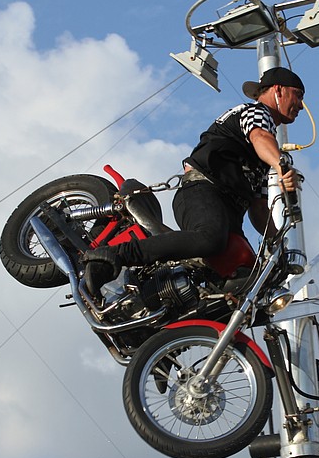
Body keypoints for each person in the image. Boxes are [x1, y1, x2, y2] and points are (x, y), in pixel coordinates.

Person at [81, 66, 306, 292]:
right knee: (209, 239)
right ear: (278, 90)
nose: (301, 105)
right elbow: (260, 136)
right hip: (204, 192)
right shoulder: (257, 113)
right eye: (298, 95)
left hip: (228, 214)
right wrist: (280, 165)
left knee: (242, 273)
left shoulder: (266, 154)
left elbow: (258, 209)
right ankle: (114, 256)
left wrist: (279, 245)